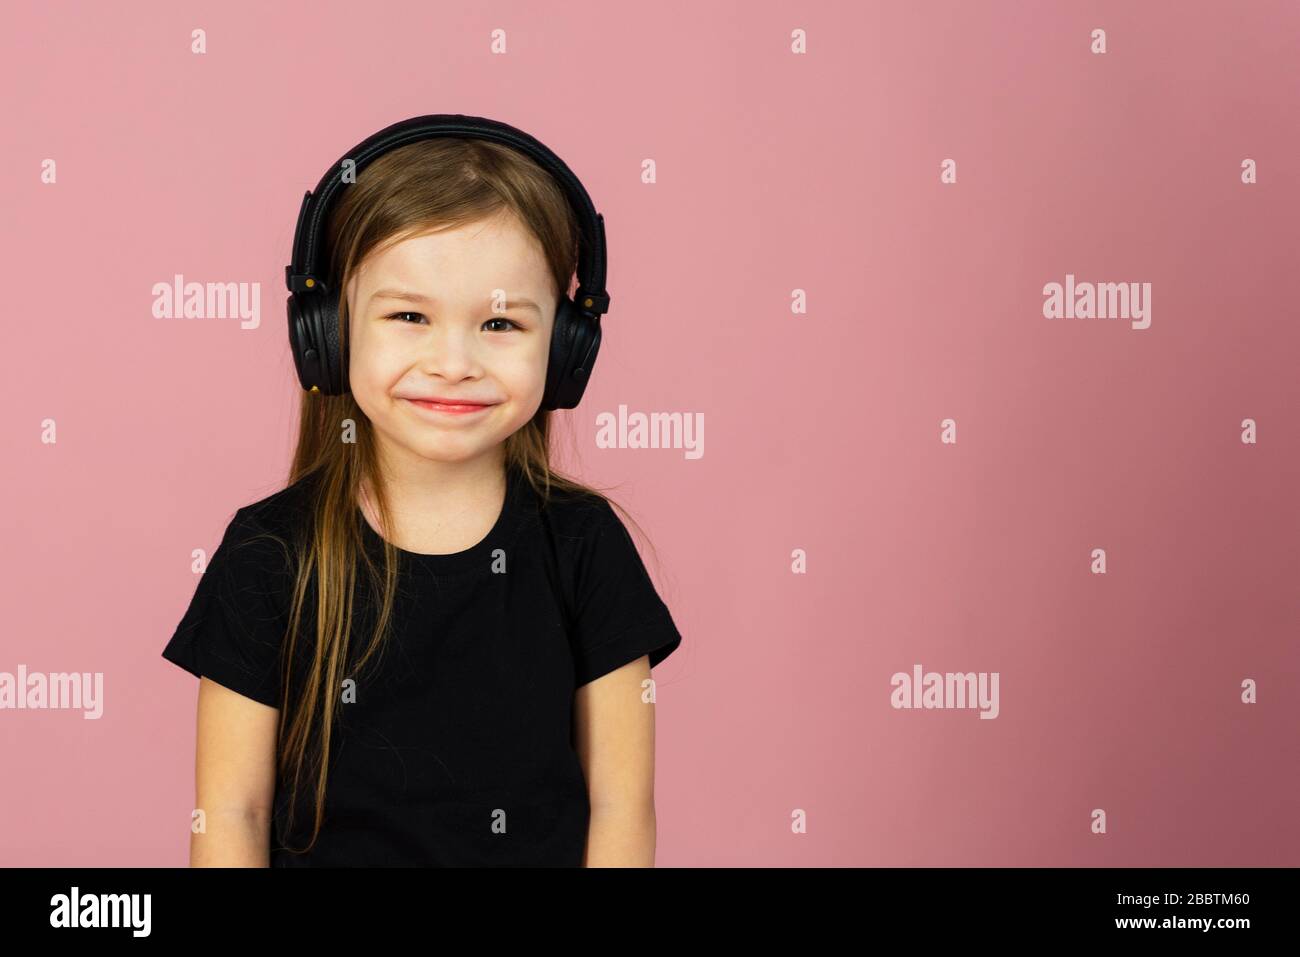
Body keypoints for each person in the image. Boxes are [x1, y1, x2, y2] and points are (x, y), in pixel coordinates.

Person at [161, 119, 683, 867]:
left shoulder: (586, 546)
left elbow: (622, 808)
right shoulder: (269, 553)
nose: (453, 362)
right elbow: (231, 815)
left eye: (500, 321)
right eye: (410, 316)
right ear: (331, 334)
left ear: (567, 350)